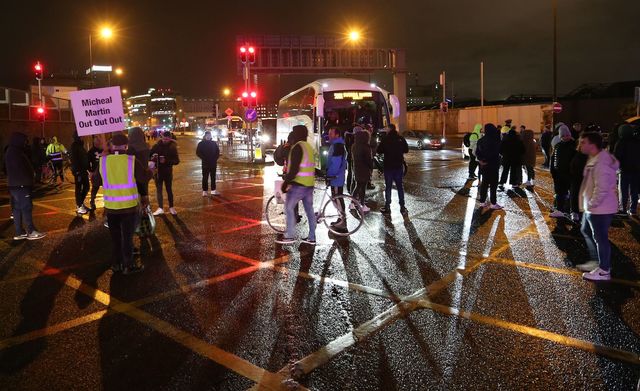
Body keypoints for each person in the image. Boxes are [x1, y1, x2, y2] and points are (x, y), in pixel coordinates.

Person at [99, 132, 148, 274]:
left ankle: (116, 264)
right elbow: (143, 177)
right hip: (128, 208)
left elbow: (95, 180)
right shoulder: (131, 161)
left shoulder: (103, 161)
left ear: (112, 145)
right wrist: (151, 170)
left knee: (115, 238)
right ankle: (128, 265)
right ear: (126, 146)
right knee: (127, 238)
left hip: (111, 208)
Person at [576, 132, 619, 281]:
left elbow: (602, 189)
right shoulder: (594, 158)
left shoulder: (601, 163)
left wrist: (591, 205)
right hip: (595, 207)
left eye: (583, 142)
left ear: (592, 145)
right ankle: (597, 262)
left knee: (600, 238)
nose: (580, 145)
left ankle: (604, 270)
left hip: (600, 208)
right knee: (586, 230)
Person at [277, 125, 316, 245]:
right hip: (309, 184)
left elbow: (294, 169)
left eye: (294, 132)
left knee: (288, 207)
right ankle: (312, 237)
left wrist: (286, 183)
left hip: (299, 184)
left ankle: (289, 235)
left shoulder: (297, 147)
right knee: (309, 211)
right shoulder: (308, 147)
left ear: (297, 134)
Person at [5, 132, 46, 240]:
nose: (25, 143)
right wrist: (29, 178)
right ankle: (31, 231)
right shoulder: (16, 152)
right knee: (26, 208)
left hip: (15, 185)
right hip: (21, 185)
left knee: (17, 209)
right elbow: (22, 169)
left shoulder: (11, 151)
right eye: (24, 140)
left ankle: (19, 232)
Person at [377, 124, 409, 214]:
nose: (385, 129)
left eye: (387, 128)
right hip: (398, 166)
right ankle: (402, 207)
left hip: (388, 167)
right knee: (400, 187)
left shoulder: (385, 139)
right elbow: (406, 150)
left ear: (389, 129)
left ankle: (387, 207)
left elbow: (379, 150)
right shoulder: (401, 138)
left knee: (388, 187)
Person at [150, 130, 180, 215]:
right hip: (158, 172)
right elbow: (149, 156)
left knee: (169, 189)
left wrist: (166, 161)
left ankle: (171, 207)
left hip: (168, 172)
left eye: (167, 139)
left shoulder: (172, 147)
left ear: (170, 138)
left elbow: (177, 161)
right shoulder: (156, 146)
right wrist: (153, 158)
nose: (165, 140)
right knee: (159, 190)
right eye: (164, 138)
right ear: (161, 137)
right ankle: (160, 208)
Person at [550, 125, 576, 217]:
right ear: (560, 136)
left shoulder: (574, 145)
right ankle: (559, 210)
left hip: (570, 174)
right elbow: (553, 159)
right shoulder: (557, 146)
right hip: (559, 174)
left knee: (572, 194)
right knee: (560, 193)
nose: (566, 137)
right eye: (563, 135)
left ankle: (572, 211)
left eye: (567, 135)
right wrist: (553, 171)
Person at [614, 124, 640, 216]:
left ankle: (623, 209)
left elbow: (617, 156)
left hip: (624, 169)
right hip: (636, 169)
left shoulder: (621, 142)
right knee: (634, 190)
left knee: (623, 190)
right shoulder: (637, 141)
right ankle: (633, 209)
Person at [476, 124, 503, 210]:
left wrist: (481, 160)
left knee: (484, 183)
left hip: (484, 165)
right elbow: (497, 152)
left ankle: (482, 202)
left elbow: (477, 152)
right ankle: (493, 203)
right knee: (493, 185)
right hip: (493, 165)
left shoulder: (481, 140)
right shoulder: (495, 140)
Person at [325, 126, 348, 229]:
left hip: (336, 177)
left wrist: (330, 175)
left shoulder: (338, 146)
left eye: (331, 134)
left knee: (338, 198)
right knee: (337, 198)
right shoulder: (337, 144)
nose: (329, 136)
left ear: (337, 135)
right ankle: (340, 219)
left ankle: (343, 221)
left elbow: (336, 163)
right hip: (336, 177)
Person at [352, 129, 373, 213]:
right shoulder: (366, 147)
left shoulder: (354, 146)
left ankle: (353, 203)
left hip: (357, 168)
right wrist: (371, 169)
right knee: (362, 188)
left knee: (358, 186)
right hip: (364, 170)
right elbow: (369, 160)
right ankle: (362, 204)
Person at [70, 131, 90, 214]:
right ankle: (79, 206)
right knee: (78, 188)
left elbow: (84, 158)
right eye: (82, 136)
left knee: (86, 187)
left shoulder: (80, 145)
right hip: (79, 171)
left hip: (83, 170)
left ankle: (80, 203)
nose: (83, 137)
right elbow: (74, 159)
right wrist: (77, 171)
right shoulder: (74, 146)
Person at [196, 130, 220, 196]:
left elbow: (217, 152)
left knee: (213, 177)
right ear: (205, 136)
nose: (208, 137)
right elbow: (198, 152)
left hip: (213, 163)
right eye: (207, 135)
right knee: (205, 177)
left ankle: (213, 190)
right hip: (205, 163)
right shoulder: (201, 143)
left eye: (209, 135)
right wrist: (204, 158)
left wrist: (215, 158)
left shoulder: (213, 143)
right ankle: (204, 191)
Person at [88, 137, 104, 210]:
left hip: (104, 172)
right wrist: (90, 171)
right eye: (97, 142)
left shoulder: (103, 149)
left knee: (106, 188)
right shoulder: (91, 151)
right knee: (95, 188)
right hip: (96, 172)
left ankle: (107, 202)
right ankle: (92, 201)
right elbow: (87, 162)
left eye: (99, 142)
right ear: (94, 143)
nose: (98, 144)